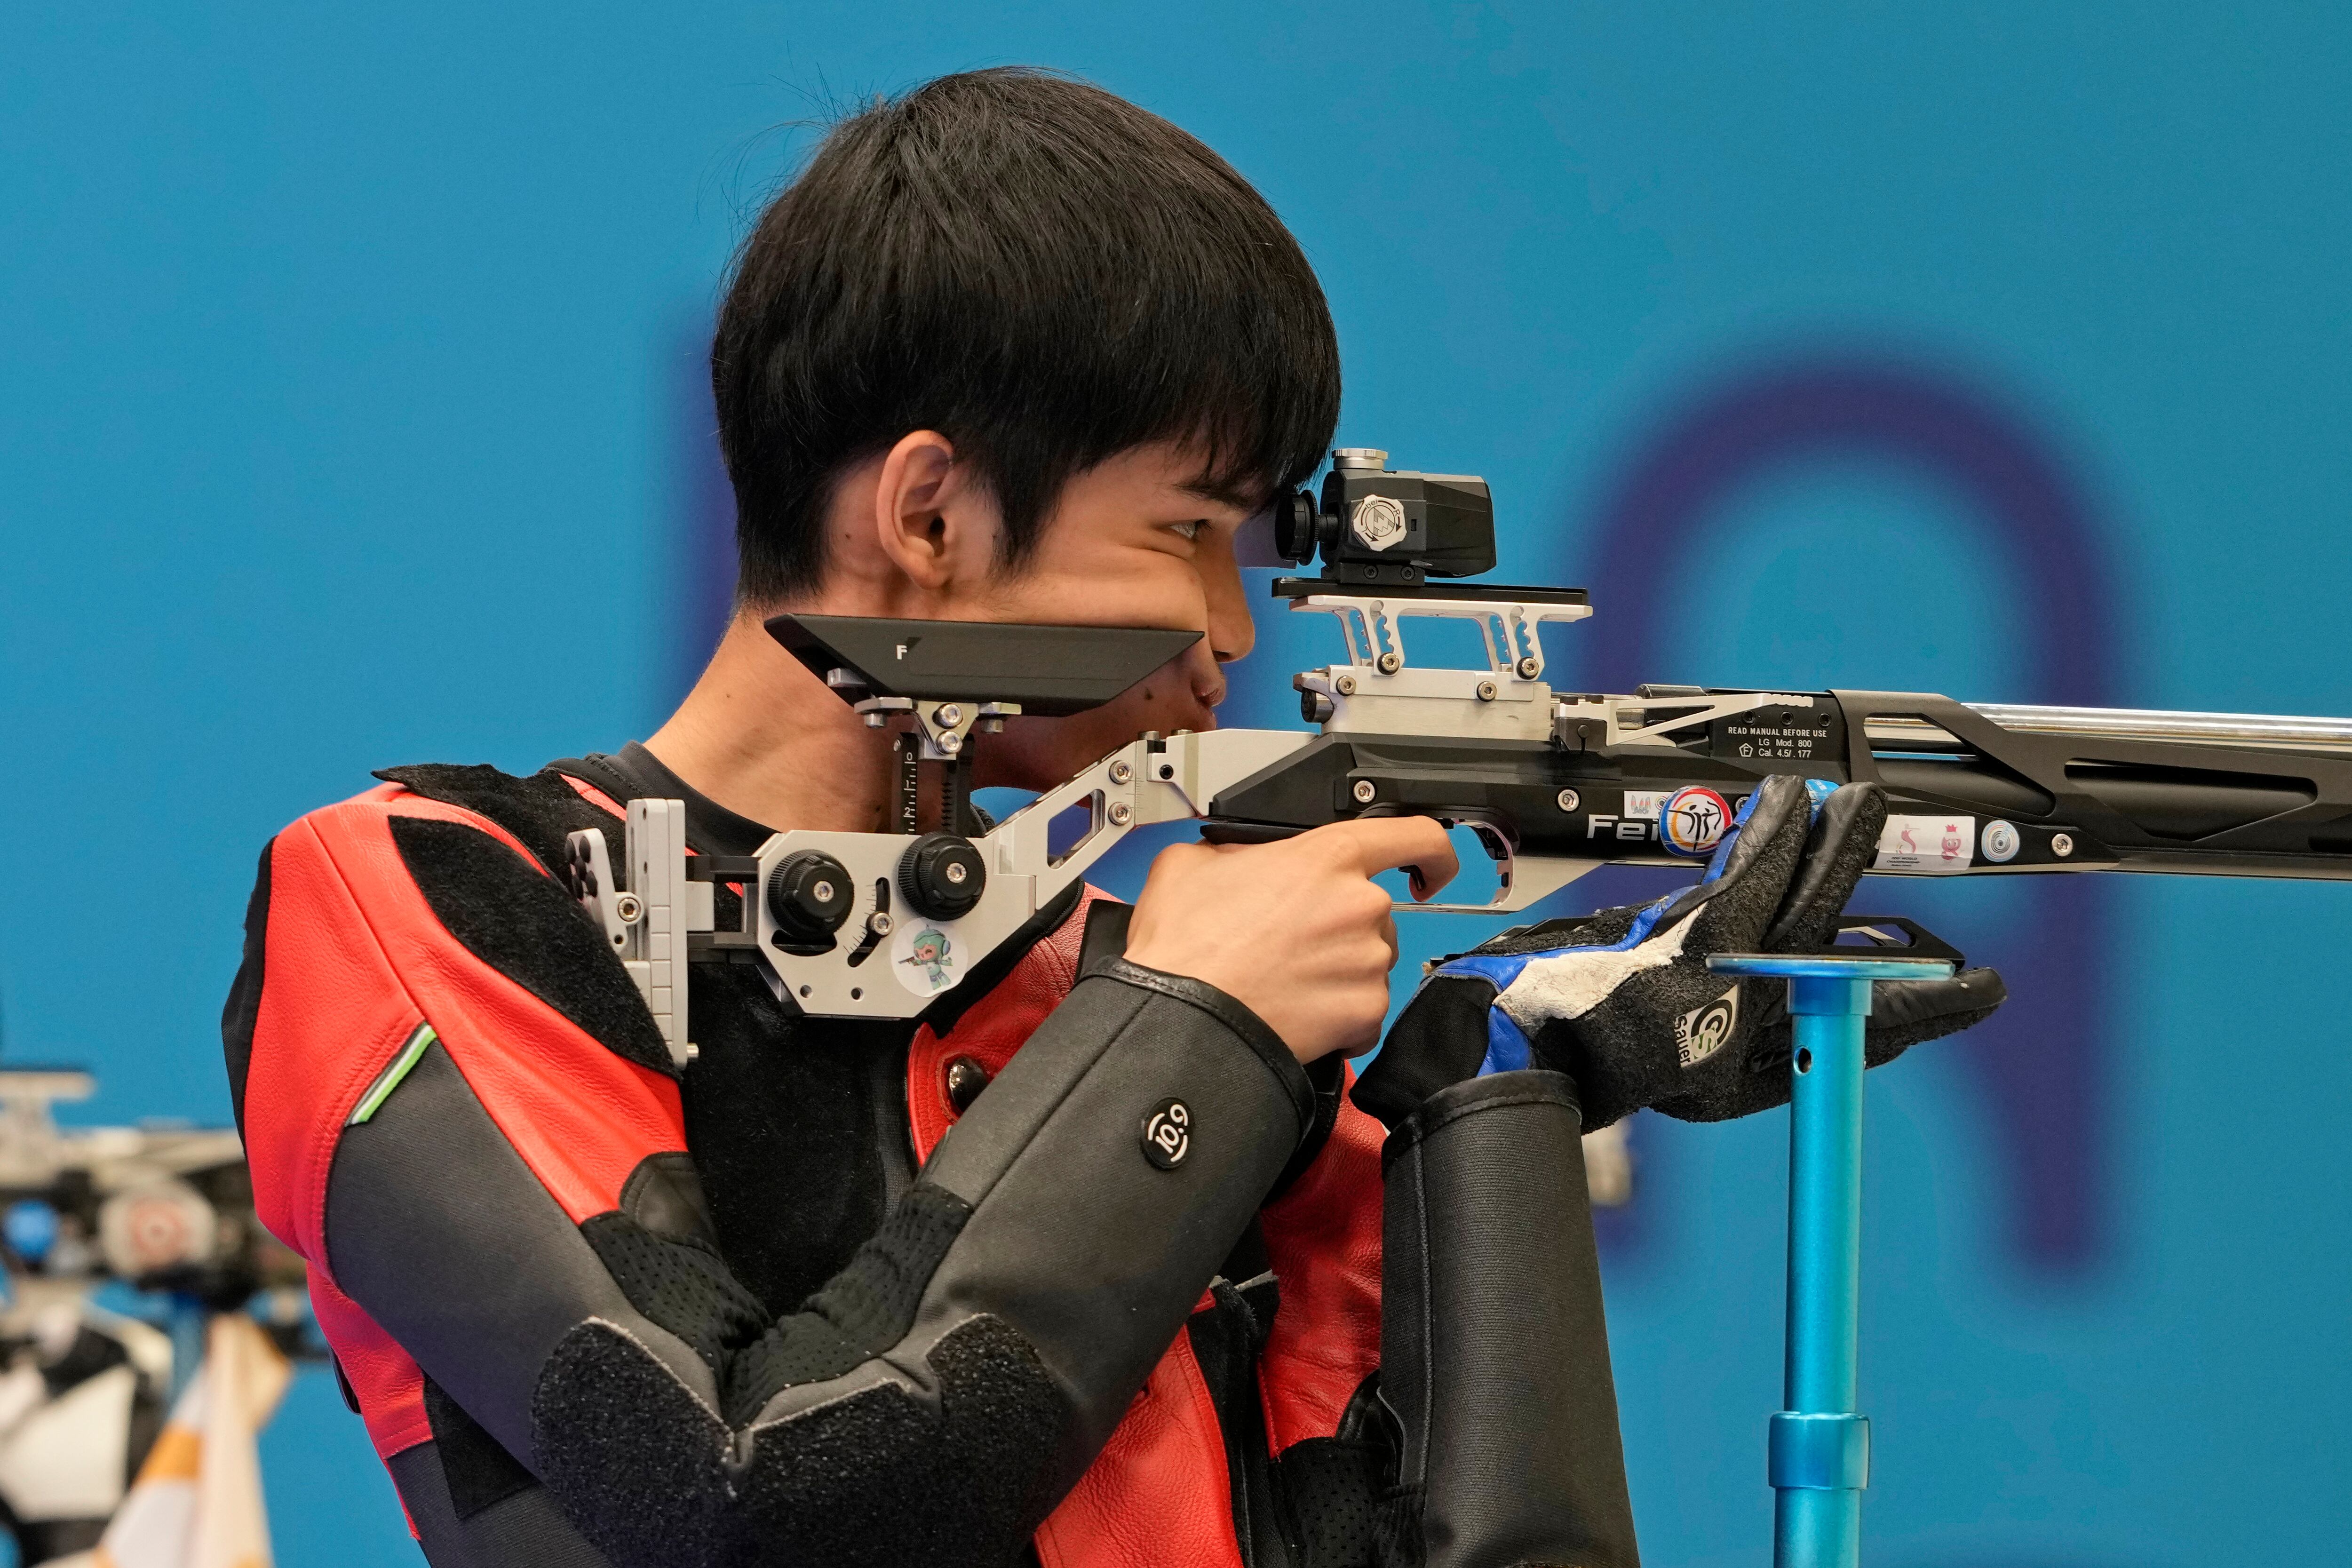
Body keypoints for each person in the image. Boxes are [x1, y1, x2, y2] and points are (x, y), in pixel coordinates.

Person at [222, 69, 2002, 1568]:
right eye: (1186, 536)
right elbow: (731, 1498)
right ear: (928, 511)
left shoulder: (1114, 986)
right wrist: (1189, 1028)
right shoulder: (429, 897)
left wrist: (1497, 1084)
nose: (1232, 635)